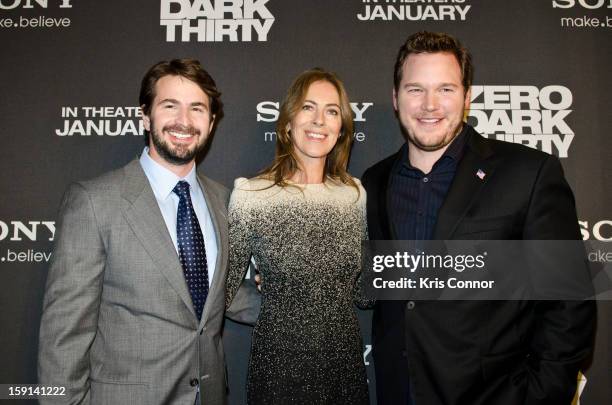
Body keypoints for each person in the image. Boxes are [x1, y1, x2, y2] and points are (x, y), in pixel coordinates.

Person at [362, 31, 596, 405]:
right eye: (415, 89)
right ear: (395, 98)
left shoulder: (528, 173)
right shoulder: (373, 182)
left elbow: (569, 301)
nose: (429, 104)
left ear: (467, 97)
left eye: (446, 89)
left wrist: (542, 393)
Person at [38, 59, 259, 405]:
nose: (184, 121)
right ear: (145, 115)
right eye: (170, 106)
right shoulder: (94, 202)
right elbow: (64, 335)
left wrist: (304, 298)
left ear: (212, 122)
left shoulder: (225, 202)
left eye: (197, 109)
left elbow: (224, 297)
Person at [225, 68, 370, 404]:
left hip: (344, 369)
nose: (320, 120)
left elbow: (364, 293)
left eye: (332, 111)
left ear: (342, 128)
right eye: (308, 107)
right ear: (287, 122)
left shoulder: (354, 196)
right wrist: (281, 309)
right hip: (277, 371)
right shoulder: (252, 196)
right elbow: (226, 292)